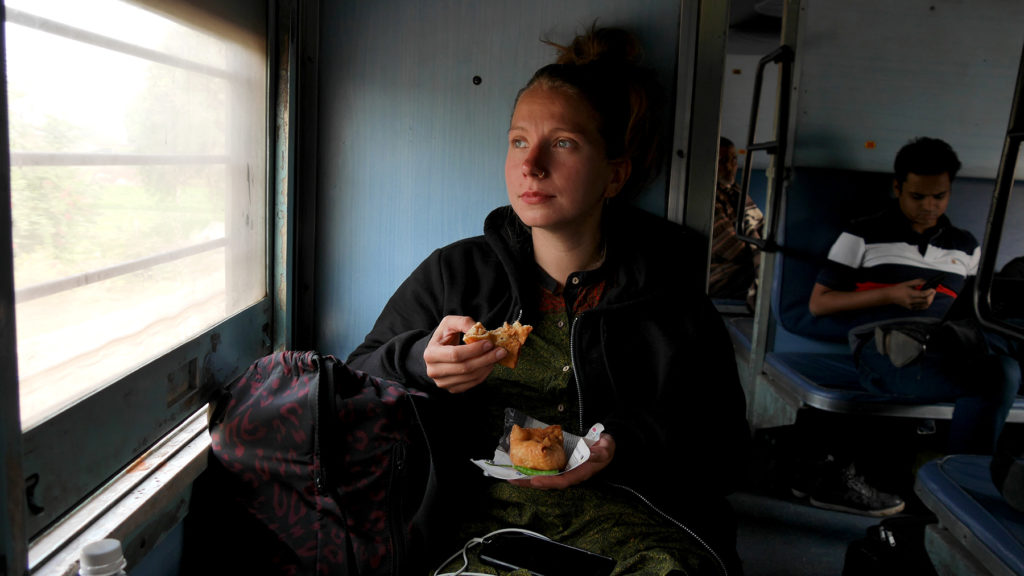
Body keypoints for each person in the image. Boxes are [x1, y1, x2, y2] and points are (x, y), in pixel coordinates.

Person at [346, 24, 751, 576]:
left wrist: (620, 446)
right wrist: (421, 361)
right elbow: (357, 381)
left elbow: (724, 453)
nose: (530, 165)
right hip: (481, 521)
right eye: (518, 141)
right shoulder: (456, 274)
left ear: (615, 175)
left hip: (641, 523)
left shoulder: (669, 296)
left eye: (563, 143)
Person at [802, 136, 1021, 516]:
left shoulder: (965, 246)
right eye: (918, 197)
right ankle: (966, 492)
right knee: (999, 373)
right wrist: (891, 296)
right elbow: (819, 303)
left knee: (1003, 363)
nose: (929, 207)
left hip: (945, 342)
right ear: (897, 187)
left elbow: (974, 308)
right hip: (879, 347)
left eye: (940, 196)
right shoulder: (862, 235)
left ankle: (965, 486)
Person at [708, 137, 763, 309]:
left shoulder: (737, 193)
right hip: (720, 274)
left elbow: (760, 226)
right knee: (773, 279)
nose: (730, 167)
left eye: (733, 160)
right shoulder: (706, 197)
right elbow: (734, 250)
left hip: (743, 267)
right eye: (723, 161)